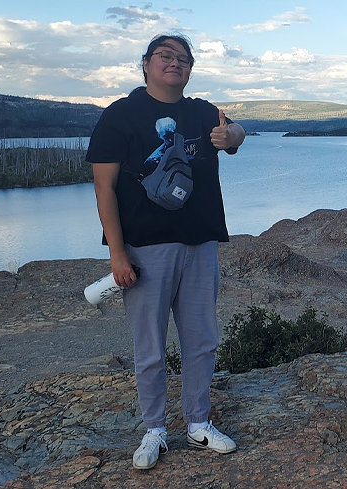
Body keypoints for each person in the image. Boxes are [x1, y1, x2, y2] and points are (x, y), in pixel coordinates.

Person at [86, 33, 246, 470]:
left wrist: (230, 133)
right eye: (165, 56)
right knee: (150, 346)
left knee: (201, 340)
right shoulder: (120, 115)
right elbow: (104, 187)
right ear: (146, 64)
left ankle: (198, 423)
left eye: (183, 59)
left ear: (190, 69)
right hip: (146, 248)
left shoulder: (202, 111)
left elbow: (236, 134)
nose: (175, 63)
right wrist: (117, 253)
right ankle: (154, 429)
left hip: (200, 243)